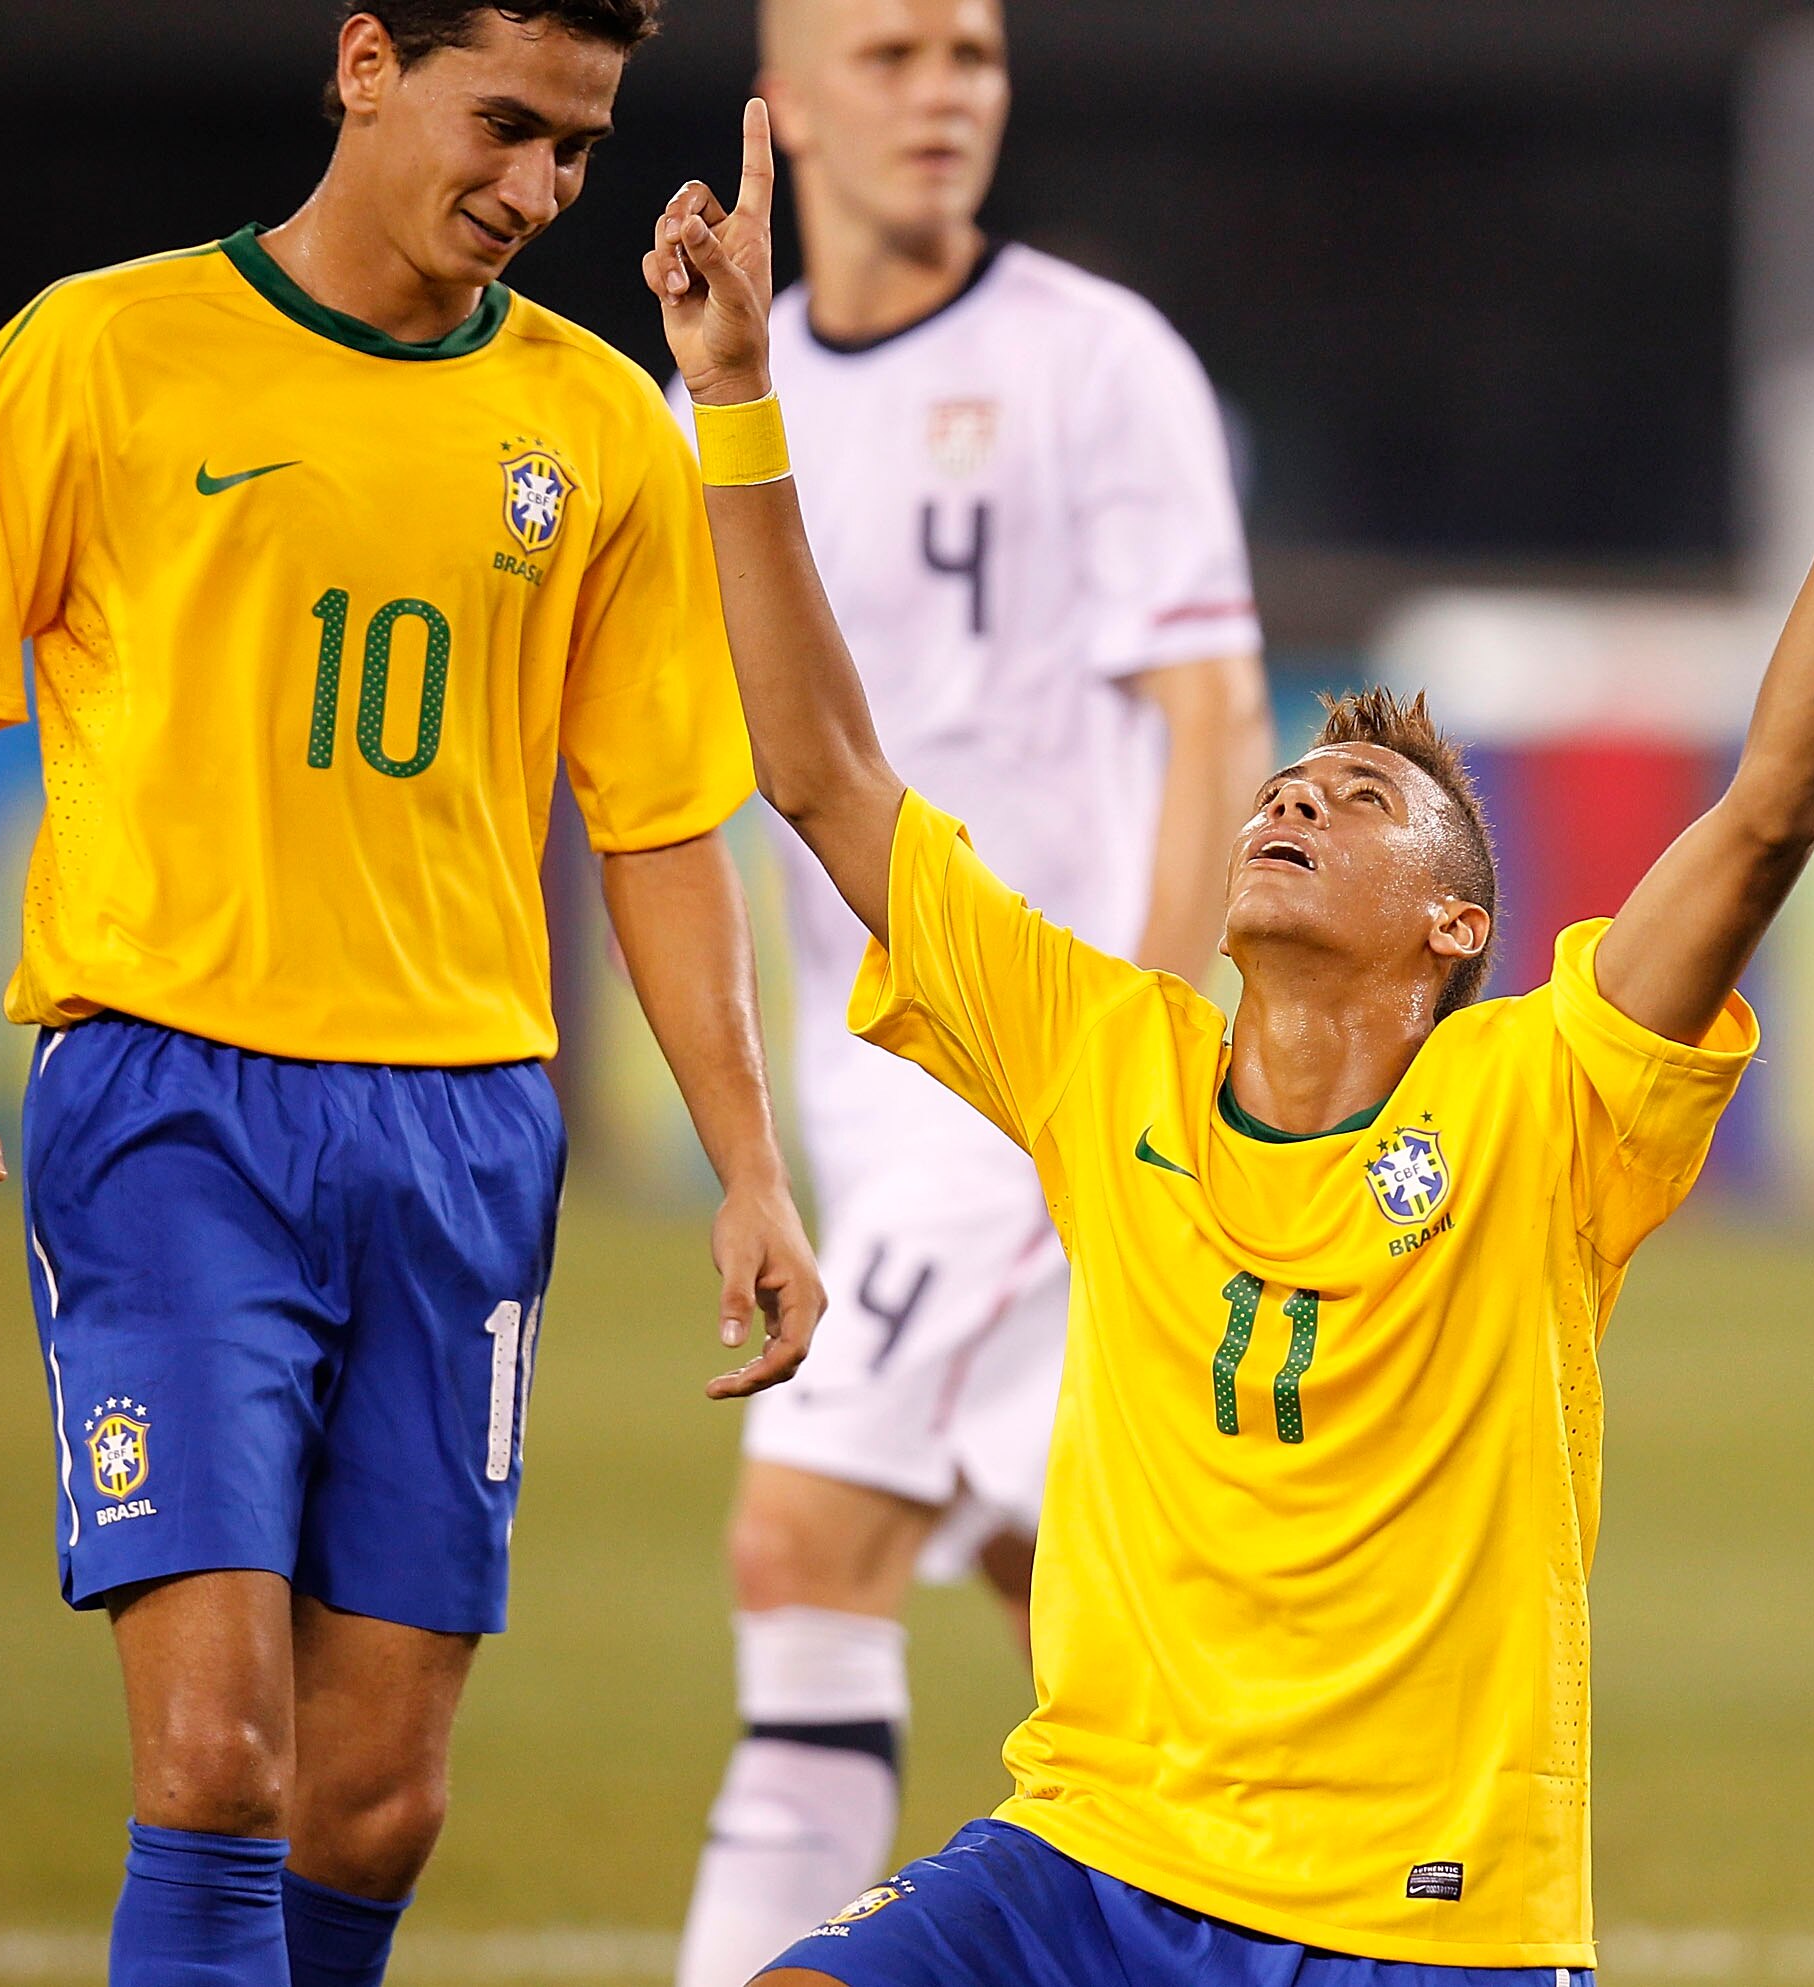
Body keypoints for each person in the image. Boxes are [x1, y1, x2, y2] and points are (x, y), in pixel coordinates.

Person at [645, 101, 1814, 1987]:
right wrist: (735, 395)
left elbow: (1767, 813)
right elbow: (816, 774)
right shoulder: (1097, 1050)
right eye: (1285, 777)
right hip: (1094, 1860)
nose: (1288, 797)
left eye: (1355, 795)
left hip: (1416, 1922)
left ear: (1460, 926)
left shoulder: (1542, 1103)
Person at [0, 7, 827, 1984]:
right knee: (218, 1753)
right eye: (502, 123)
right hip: (172, 1101)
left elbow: (662, 825)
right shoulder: (100, 354)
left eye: (579, 150)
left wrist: (752, 1164)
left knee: (376, 1804)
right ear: (362, 64)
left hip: (462, 1127)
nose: (539, 189)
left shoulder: (595, 426)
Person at [669, 2, 1270, 1979]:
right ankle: (1272, 1921)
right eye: (897, 56)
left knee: (802, 1544)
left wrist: (1146, 1054)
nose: (946, 97)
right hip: (875, 1090)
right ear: (791, 101)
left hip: (1030, 1086)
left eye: (976, 58)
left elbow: (1211, 716)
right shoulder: (725, 403)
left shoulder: (1096, 362)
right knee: (1086, 1625)